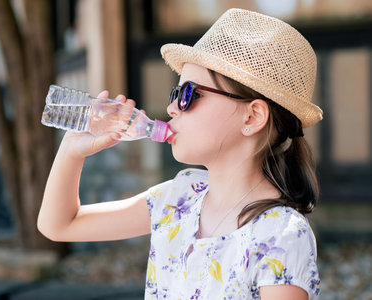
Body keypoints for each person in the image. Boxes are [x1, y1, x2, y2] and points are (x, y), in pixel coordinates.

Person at [38, 8, 322, 299]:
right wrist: (72, 150)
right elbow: (59, 225)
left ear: (251, 118)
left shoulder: (281, 235)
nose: (172, 108)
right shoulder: (179, 198)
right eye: (175, 94)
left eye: (189, 94)